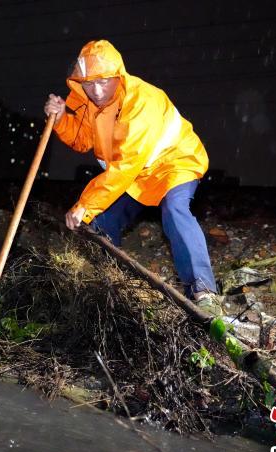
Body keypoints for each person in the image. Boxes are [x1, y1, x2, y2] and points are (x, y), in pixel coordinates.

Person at [43, 39, 223, 315]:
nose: (97, 90)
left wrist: (85, 204)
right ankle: (104, 287)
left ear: (118, 75)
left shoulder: (141, 100)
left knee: (175, 210)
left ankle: (204, 293)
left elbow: (125, 166)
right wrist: (59, 120)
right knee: (99, 224)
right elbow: (81, 139)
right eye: (89, 83)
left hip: (174, 163)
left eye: (103, 81)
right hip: (138, 175)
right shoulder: (92, 103)